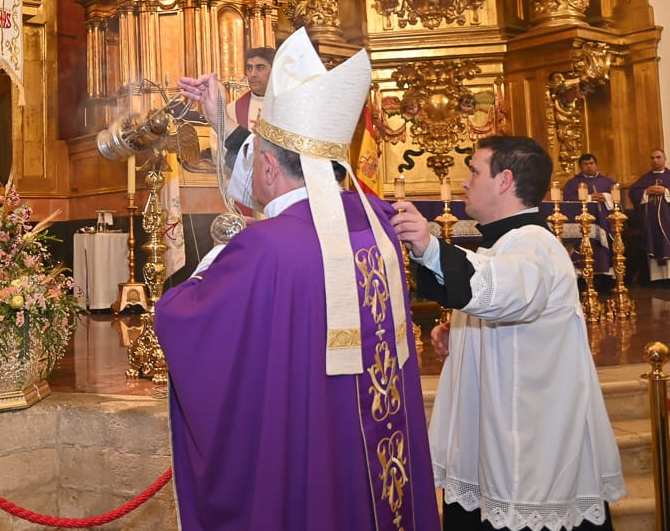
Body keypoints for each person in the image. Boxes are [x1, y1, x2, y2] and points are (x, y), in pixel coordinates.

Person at [156, 28, 439, 530]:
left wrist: (212, 262)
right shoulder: (376, 222)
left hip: (309, 450)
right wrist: (223, 120)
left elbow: (186, 319)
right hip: (373, 447)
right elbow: (277, 189)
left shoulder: (265, 247)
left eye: (259, 155)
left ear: (269, 164)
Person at [391, 135, 625, 530]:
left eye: (474, 170)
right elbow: (501, 298)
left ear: (504, 181)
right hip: (497, 440)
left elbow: (501, 290)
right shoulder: (505, 246)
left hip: (527, 454)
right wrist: (466, 333)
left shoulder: (535, 244)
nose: (465, 181)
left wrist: (428, 246)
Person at [179, 46, 275, 211]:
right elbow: (219, 155)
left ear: (274, 71)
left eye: (260, 67)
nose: (252, 74)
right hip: (245, 195)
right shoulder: (230, 110)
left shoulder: (288, 109)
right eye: (249, 68)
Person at [562, 153, 618, 293]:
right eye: (585, 164)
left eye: (591, 163)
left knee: (605, 248)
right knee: (585, 248)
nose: (589, 166)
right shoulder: (572, 183)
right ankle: (584, 279)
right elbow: (568, 200)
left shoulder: (607, 182)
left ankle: (606, 279)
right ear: (580, 166)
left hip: (604, 223)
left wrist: (605, 197)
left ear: (596, 164)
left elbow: (618, 198)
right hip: (584, 226)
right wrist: (588, 197)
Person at [627, 148, 670, 281]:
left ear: (665, 159)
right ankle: (656, 279)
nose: (655, 161)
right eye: (652, 158)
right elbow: (633, 192)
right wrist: (646, 191)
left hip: (668, 220)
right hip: (651, 223)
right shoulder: (646, 179)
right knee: (653, 244)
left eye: (658, 157)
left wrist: (666, 191)